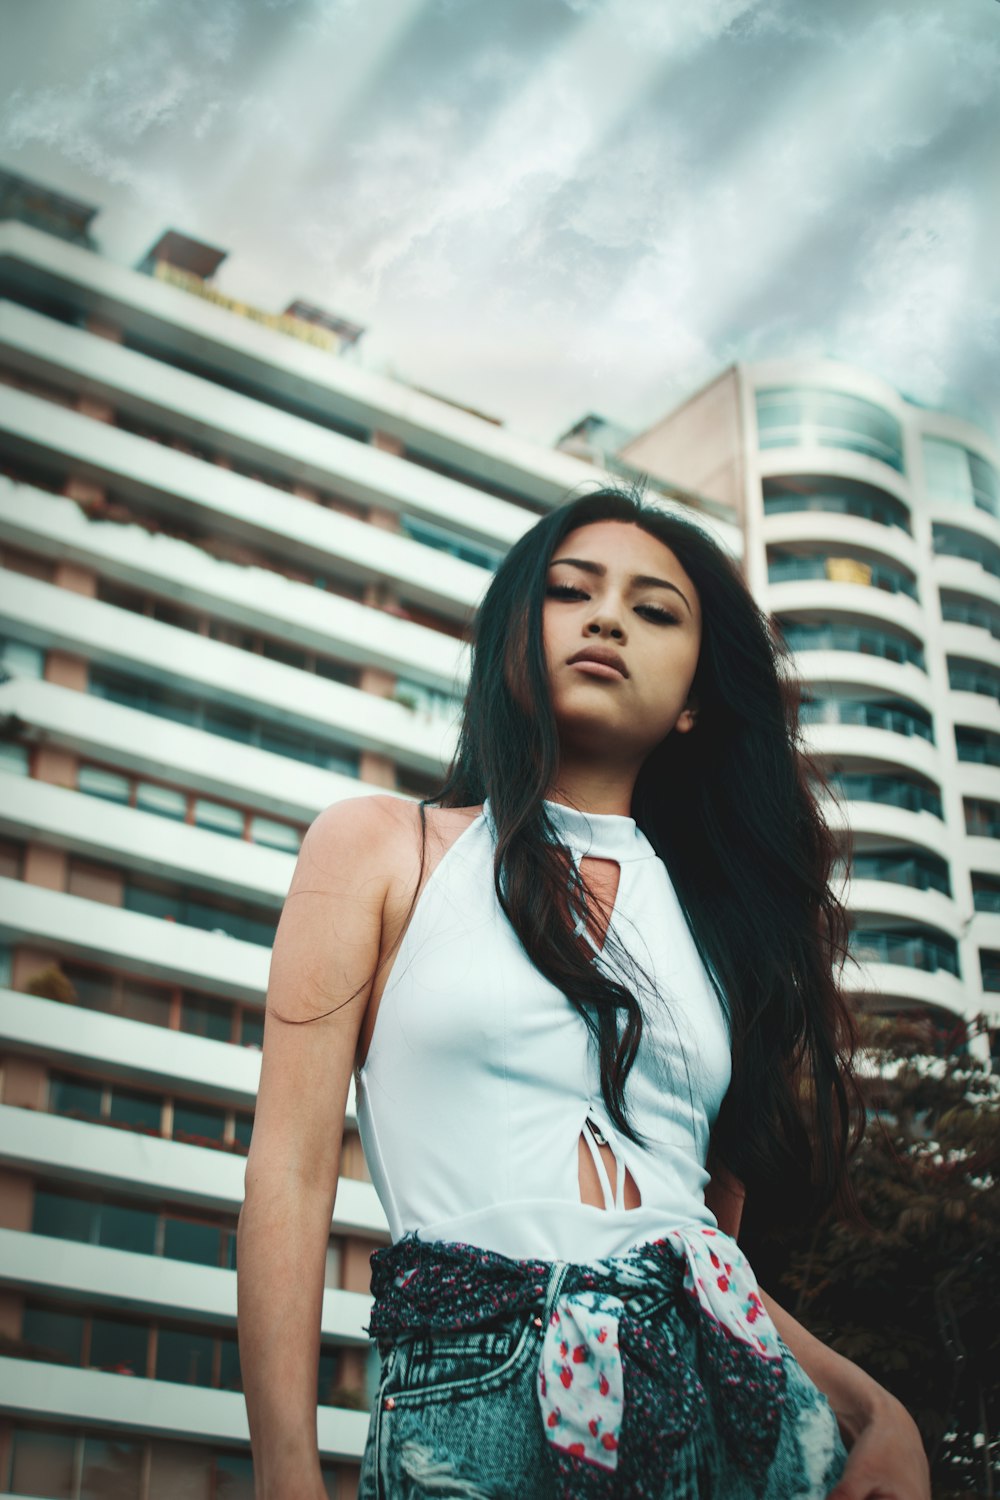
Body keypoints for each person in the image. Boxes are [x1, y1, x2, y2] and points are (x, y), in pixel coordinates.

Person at [237, 487, 932, 1499]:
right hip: (476, 1387)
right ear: (517, 639)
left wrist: (874, 1409)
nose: (607, 617)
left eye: (655, 611)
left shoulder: (720, 940)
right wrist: (284, 1474)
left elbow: (698, 1254)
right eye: (571, 592)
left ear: (694, 700)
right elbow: (288, 1173)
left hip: (735, 1410)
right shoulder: (385, 849)